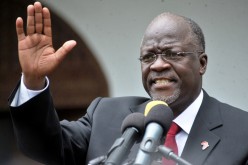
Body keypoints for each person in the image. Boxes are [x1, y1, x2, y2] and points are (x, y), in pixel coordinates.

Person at [9, 1, 248, 165]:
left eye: (172, 54)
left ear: (202, 63)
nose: (157, 65)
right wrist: (33, 79)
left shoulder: (242, 131)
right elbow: (43, 145)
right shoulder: (107, 115)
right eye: (148, 56)